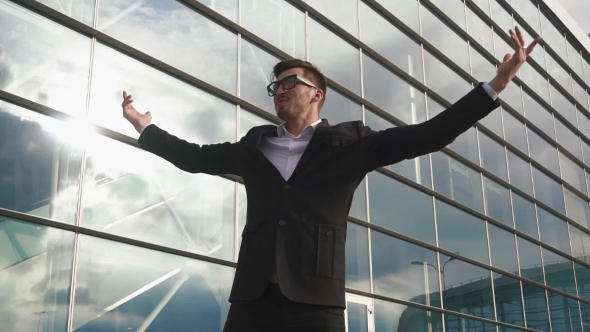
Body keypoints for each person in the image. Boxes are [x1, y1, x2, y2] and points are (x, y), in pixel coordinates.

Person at [122, 27, 540, 332]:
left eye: (290, 82)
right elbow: (194, 158)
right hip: (251, 301)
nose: (279, 90)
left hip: (314, 304)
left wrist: (495, 86)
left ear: (316, 93)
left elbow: (429, 135)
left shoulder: (350, 143)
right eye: (275, 86)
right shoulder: (254, 146)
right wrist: (146, 129)